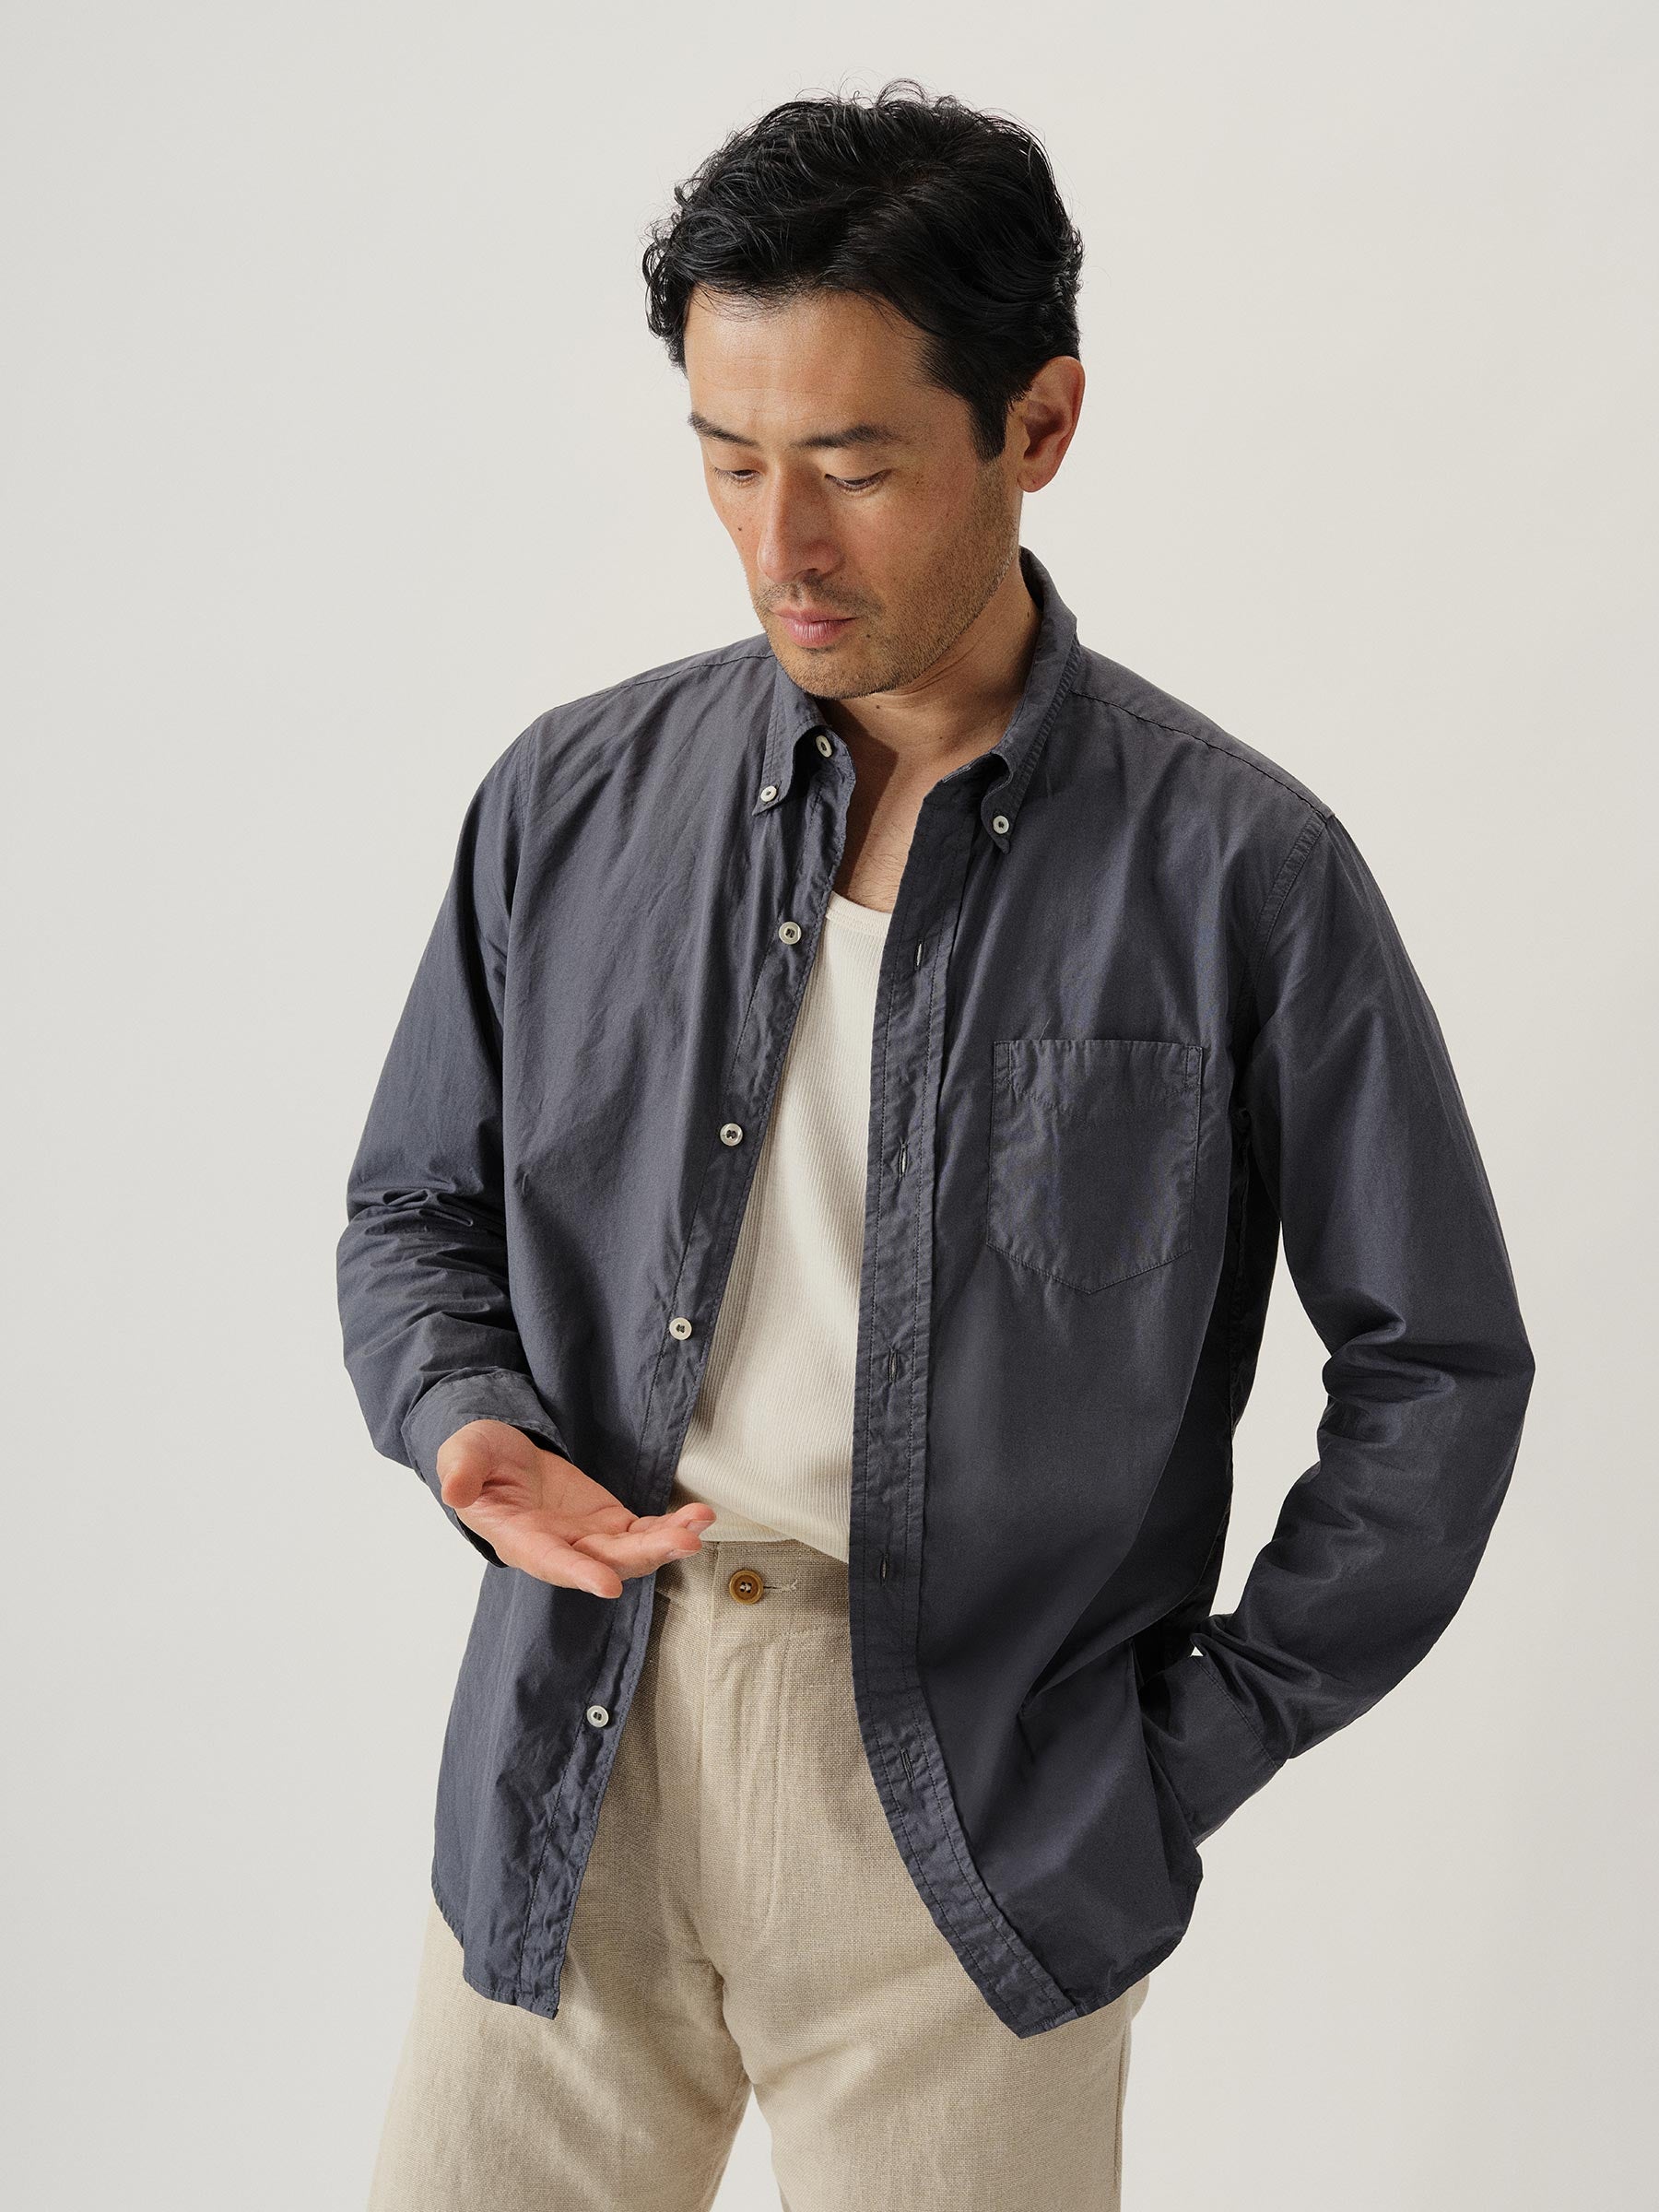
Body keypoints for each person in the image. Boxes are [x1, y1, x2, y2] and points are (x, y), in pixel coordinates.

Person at [336, 79, 1535, 2212]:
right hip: (571, 1754)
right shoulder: (568, 804)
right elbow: (415, 1204)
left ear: (1038, 421)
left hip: (976, 1822)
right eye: (730, 458)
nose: (780, 545)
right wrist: (463, 1423)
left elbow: (1434, 1365)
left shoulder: (1241, 873)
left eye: (857, 465)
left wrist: (1174, 1758)